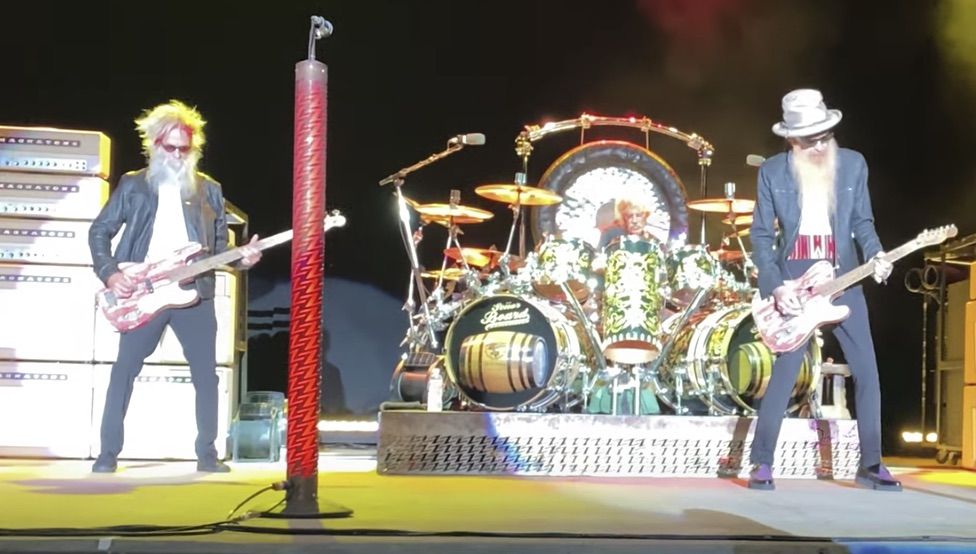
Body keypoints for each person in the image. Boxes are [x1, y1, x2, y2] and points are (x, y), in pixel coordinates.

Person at [88, 100, 262, 473]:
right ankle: (107, 454)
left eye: (185, 149)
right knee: (124, 370)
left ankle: (206, 455)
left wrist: (242, 258)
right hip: (145, 291)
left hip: (193, 292)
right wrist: (112, 274)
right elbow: (100, 230)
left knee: (206, 375)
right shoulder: (133, 185)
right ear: (154, 145)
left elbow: (218, 250)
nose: (178, 156)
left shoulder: (208, 190)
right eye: (171, 148)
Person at [748, 88, 900, 491]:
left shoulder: (852, 165)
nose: (819, 145)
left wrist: (877, 255)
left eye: (824, 135)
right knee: (783, 374)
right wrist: (776, 286)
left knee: (867, 371)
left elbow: (863, 222)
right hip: (794, 280)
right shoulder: (773, 172)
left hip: (843, 273)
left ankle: (871, 465)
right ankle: (762, 463)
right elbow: (762, 236)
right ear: (791, 139)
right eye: (809, 138)